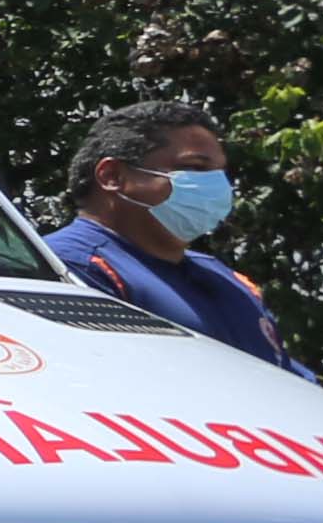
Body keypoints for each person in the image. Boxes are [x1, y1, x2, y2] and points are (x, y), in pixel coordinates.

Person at [39, 99, 301, 371]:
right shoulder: (69, 268)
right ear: (112, 176)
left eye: (220, 173)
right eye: (196, 168)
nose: (217, 185)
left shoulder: (228, 280)